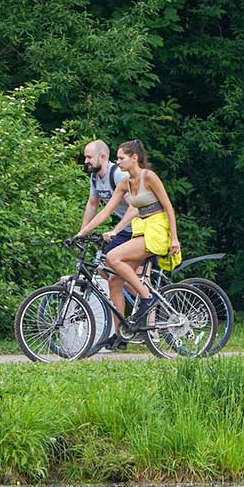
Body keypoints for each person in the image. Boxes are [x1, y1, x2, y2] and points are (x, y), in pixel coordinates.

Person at [74, 139, 182, 330]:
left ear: (134, 158)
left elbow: (168, 207)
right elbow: (105, 212)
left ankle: (146, 297)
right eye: (117, 158)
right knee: (115, 279)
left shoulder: (148, 177)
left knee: (113, 257)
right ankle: (120, 333)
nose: (118, 162)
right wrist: (81, 233)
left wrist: (174, 238)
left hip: (157, 229)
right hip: (141, 228)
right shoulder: (125, 182)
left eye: (121, 158)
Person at [81, 139, 137, 349]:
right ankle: (121, 333)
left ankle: (148, 308)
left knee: (121, 274)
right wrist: (81, 233)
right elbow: (93, 205)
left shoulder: (119, 175)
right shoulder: (96, 178)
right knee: (109, 274)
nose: (85, 161)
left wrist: (115, 230)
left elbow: (135, 208)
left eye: (88, 156)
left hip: (139, 229)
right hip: (124, 230)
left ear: (102, 157)